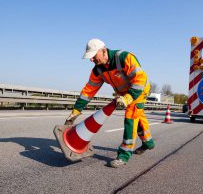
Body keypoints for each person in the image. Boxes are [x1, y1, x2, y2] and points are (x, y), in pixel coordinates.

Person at [65, 38, 155, 168]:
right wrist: (76, 111)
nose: (91, 60)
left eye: (93, 56)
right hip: (124, 93)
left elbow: (140, 79)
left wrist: (129, 97)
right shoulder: (98, 70)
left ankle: (124, 155)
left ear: (103, 51)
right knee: (138, 116)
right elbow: (88, 91)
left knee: (131, 116)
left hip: (139, 90)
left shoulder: (124, 57)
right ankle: (148, 143)